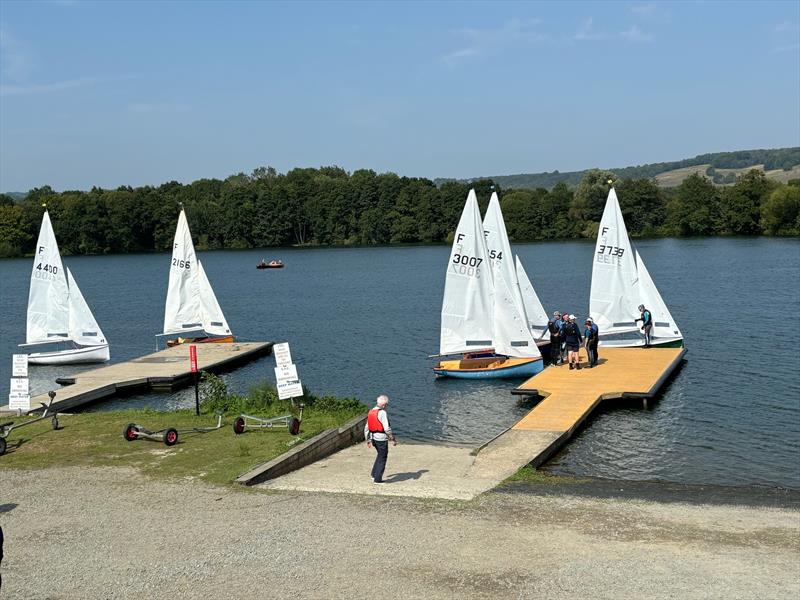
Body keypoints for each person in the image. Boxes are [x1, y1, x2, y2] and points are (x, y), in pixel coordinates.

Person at [364, 394, 396, 484]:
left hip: (374, 438)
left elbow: (366, 428)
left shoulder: (371, 411)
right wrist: (392, 438)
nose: (387, 407)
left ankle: (374, 474)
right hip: (381, 439)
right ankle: (377, 480)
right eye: (387, 405)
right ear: (384, 405)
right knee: (383, 457)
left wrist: (368, 440)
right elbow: (387, 428)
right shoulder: (382, 413)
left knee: (379, 455)